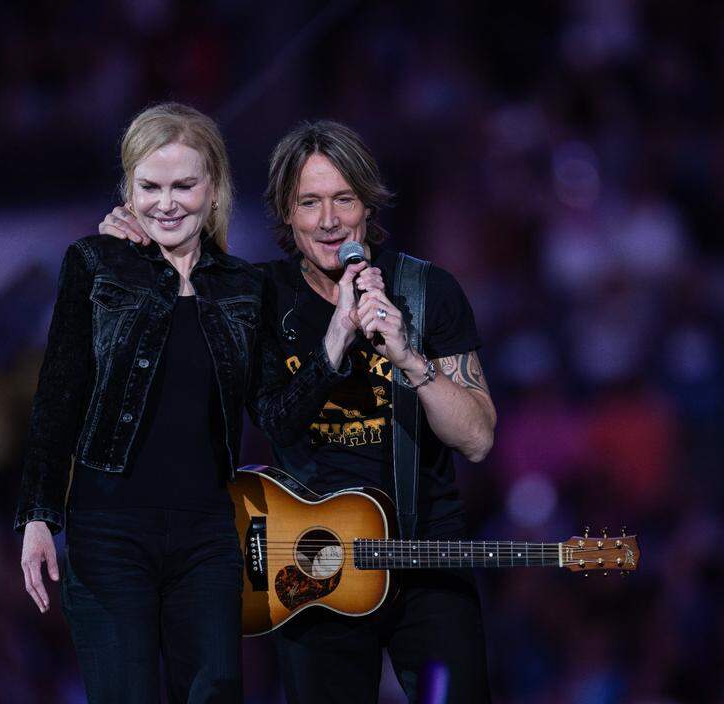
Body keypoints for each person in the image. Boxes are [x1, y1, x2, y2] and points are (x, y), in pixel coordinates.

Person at [100, 119, 496, 703]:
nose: (329, 220)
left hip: (425, 556)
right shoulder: (258, 297)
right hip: (312, 564)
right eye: (310, 203)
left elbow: (478, 440)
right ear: (286, 213)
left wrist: (410, 359)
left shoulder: (424, 291)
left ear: (368, 206)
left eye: (344, 200)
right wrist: (335, 340)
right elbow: (273, 419)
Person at [16, 104, 378, 703]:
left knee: (216, 692)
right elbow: (58, 395)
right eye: (149, 187)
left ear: (213, 190)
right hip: (109, 534)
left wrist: (336, 339)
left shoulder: (244, 286)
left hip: (208, 536)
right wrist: (37, 515)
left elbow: (277, 414)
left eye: (183, 186)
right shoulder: (96, 264)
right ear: (128, 190)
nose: (166, 204)